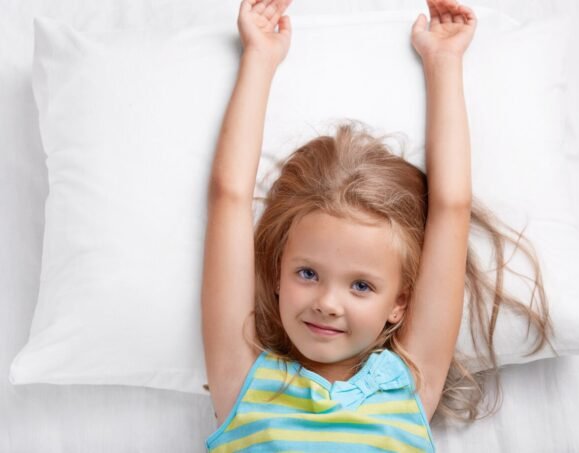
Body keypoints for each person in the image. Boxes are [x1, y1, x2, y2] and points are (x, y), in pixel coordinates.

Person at [201, 0, 555, 451]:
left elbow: (452, 208)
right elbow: (229, 198)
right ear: (276, 275)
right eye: (307, 273)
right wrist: (258, 58)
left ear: (399, 303)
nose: (327, 303)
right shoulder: (243, 383)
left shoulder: (409, 386)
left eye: (361, 286)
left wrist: (444, 62)